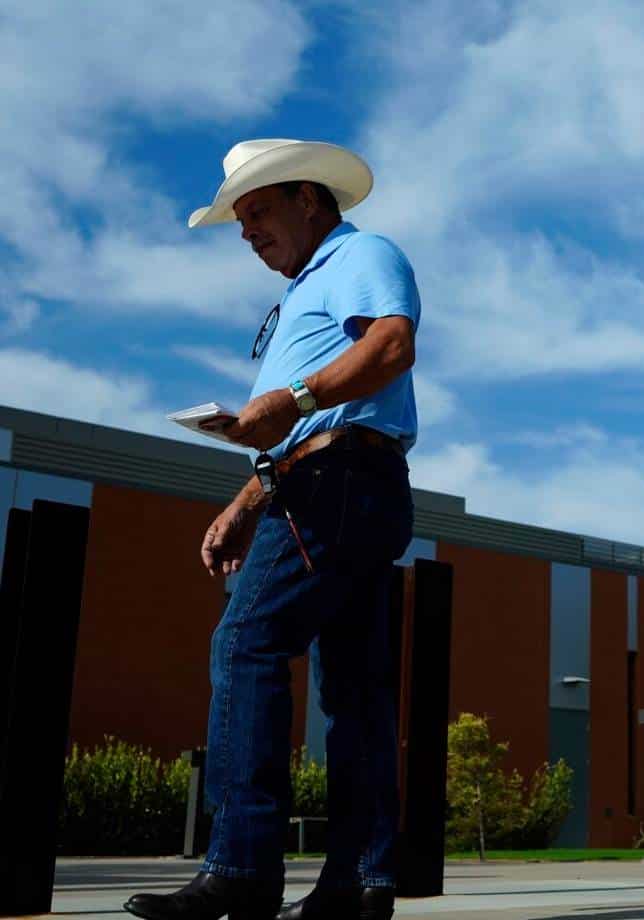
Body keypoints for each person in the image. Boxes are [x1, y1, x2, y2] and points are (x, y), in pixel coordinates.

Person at [124, 139, 419, 920]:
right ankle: (358, 885)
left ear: (309, 201)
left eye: (257, 212)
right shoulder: (305, 298)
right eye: (239, 221)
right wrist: (242, 505)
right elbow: (299, 432)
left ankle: (242, 867)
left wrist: (288, 398)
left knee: (246, 642)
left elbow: (389, 346)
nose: (247, 232)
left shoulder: (360, 254)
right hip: (340, 480)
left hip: (340, 484)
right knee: (353, 694)